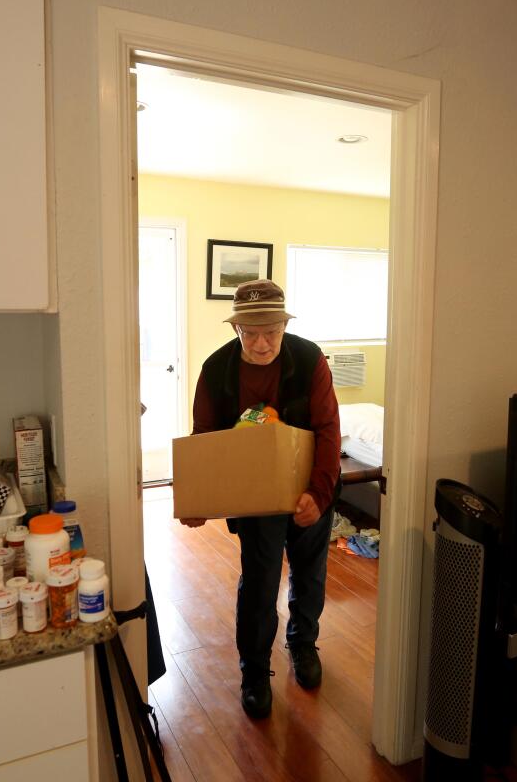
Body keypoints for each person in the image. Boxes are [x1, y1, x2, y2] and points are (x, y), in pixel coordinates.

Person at [182, 278, 341, 719]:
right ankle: (254, 670)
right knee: (260, 579)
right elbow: (206, 441)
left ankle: (302, 643)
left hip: (310, 482)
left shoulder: (310, 360)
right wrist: (199, 499)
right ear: (236, 329)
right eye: (249, 333)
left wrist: (319, 492)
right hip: (254, 494)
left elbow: (328, 429)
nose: (261, 342)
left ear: (283, 326)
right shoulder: (216, 369)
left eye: (271, 331)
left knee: (310, 573)